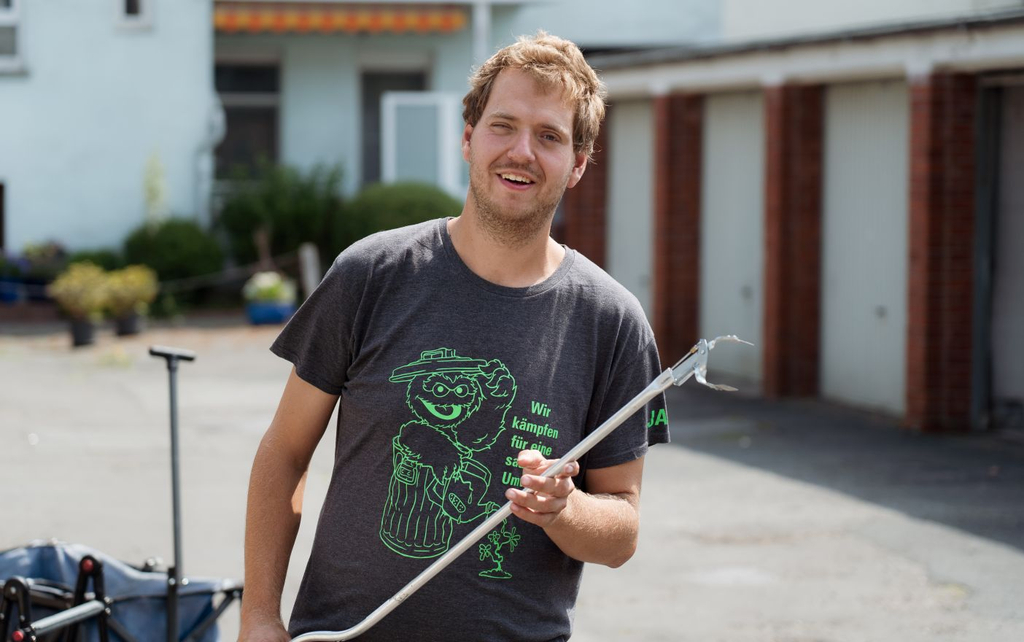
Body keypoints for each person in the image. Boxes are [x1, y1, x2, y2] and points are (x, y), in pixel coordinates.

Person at [239, 31, 670, 642]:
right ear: (468, 138)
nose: (522, 151)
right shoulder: (371, 275)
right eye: (503, 126)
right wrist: (258, 616)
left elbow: (622, 531)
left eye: (549, 136)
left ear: (577, 164)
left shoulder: (612, 322)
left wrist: (565, 509)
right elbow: (283, 454)